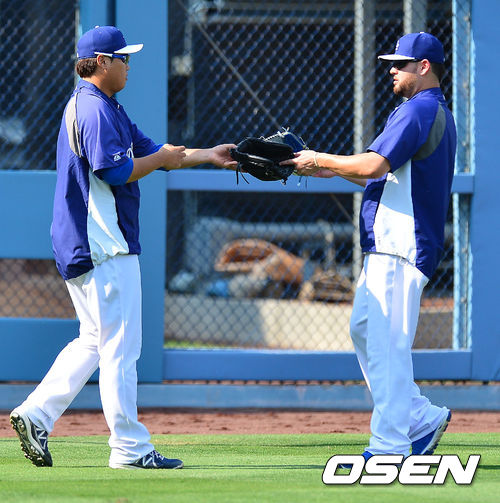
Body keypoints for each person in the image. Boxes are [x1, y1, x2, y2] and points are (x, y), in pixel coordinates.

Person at [10, 25, 236, 470]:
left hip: (87, 244)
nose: (129, 65)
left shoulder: (102, 104)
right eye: (123, 58)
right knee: (120, 347)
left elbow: (155, 151)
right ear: (101, 62)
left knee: (94, 340)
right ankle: (130, 448)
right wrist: (160, 160)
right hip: (103, 245)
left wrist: (208, 154)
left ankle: (36, 414)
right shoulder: (93, 108)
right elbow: (114, 171)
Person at [282, 32, 456, 460]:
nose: (392, 69)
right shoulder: (425, 109)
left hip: (401, 243)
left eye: (401, 63)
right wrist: (330, 170)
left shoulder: (418, 109)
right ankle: (419, 416)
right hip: (393, 244)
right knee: (364, 329)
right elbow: (383, 174)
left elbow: (375, 165)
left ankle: (389, 445)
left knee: (386, 345)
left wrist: (320, 159)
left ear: (424, 67)